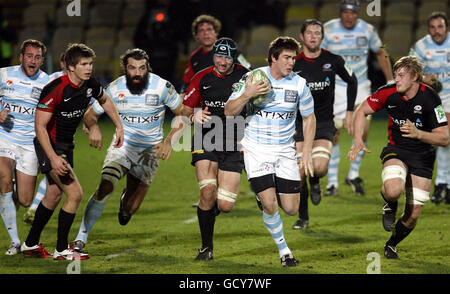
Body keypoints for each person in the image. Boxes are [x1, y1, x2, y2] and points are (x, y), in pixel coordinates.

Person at [70, 48, 184, 253]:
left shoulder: (162, 87)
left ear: (148, 68)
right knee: (105, 185)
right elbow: (90, 114)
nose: (138, 73)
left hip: (150, 152)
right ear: (125, 69)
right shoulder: (114, 89)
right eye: (132, 68)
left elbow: (183, 114)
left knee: (130, 209)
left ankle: (125, 202)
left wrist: (169, 141)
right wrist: (94, 126)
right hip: (123, 146)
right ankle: (81, 238)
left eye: (142, 68)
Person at [20, 43, 124, 260]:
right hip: (49, 145)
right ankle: (61, 249)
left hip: (66, 145)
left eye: (90, 63)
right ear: (70, 67)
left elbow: (105, 100)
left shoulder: (90, 84)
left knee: (53, 194)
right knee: (75, 194)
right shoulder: (56, 88)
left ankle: (30, 244)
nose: (89, 68)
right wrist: (53, 157)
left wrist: (119, 126)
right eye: (84, 64)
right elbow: (39, 126)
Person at [225, 36, 316, 267]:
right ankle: (285, 252)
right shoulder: (253, 78)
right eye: (286, 57)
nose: (291, 63)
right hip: (256, 149)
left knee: (291, 209)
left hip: (285, 150)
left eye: (294, 58)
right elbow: (229, 111)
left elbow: (309, 117)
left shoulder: (299, 84)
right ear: (273, 58)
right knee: (270, 203)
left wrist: (306, 152)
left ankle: (264, 197)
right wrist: (247, 94)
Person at [348, 56, 449, 259]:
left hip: (423, 156)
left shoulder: (431, 98)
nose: (397, 79)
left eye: (401, 75)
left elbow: (445, 138)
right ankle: (389, 202)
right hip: (397, 149)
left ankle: (392, 243)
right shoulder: (388, 92)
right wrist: (358, 139)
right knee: (394, 190)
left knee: (412, 216)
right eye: (396, 75)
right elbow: (362, 111)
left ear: (415, 77)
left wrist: (419, 134)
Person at [166, 37, 249, 260]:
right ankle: (206, 248)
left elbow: (257, 108)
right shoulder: (201, 77)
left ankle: (209, 212)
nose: (222, 61)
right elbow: (183, 109)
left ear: (234, 58)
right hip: (207, 139)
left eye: (227, 57)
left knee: (225, 204)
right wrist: (193, 115)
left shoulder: (246, 76)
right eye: (219, 56)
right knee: (207, 191)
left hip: (234, 142)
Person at [322, 0, 393, 196]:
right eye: (345, 12)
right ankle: (332, 182)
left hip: (360, 85)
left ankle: (353, 175)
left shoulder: (367, 29)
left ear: (357, 14)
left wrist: (390, 80)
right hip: (336, 87)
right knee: (334, 133)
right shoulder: (328, 29)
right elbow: (318, 55)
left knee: (363, 132)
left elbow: (380, 52)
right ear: (341, 13)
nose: (349, 16)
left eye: (352, 12)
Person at [292, 19, 357, 230]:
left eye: (317, 33)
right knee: (300, 170)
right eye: (309, 32)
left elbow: (353, 80)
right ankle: (303, 217)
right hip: (300, 125)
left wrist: (349, 111)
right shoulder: (294, 63)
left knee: (318, 168)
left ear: (322, 37)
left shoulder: (333, 60)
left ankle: (317, 181)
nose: (313, 36)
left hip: (324, 124)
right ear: (302, 37)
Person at [0, 39, 50, 255]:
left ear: (41, 60)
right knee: (2, 177)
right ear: (21, 57)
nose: (33, 60)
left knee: (25, 199)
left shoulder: (46, 83)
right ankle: (15, 242)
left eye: (37, 57)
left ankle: (9, 190)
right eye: (29, 56)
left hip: (29, 144)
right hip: (4, 137)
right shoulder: (4, 74)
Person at [23, 52, 68, 225]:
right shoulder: (51, 80)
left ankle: (33, 208)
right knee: (53, 173)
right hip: (45, 133)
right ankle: (29, 204)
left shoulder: (80, 82)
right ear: (62, 63)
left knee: (52, 175)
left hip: (61, 136)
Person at [410, 12, 450, 204]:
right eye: (433, 27)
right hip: (431, 100)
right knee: (438, 141)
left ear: (446, 27)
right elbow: (409, 69)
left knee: (445, 138)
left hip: (449, 98)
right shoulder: (421, 46)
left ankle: (442, 184)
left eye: (440, 27)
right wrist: (426, 79)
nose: (436, 31)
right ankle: (442, 184)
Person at [181, 14, 250, 96]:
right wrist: (182, 95)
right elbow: (186, 83)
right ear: (196, 35)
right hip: (205, 103)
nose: (206, 33)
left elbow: (250, 72)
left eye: (209, 29)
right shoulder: (194, 57)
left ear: (216, 32)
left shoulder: (232, 51)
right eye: (201, 30)